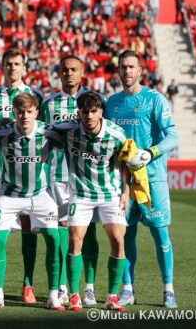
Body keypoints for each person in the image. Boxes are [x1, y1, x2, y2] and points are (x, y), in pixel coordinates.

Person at [105, 50, 179, 309]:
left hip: (152, 180)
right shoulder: (111, 103)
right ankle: (128, 288)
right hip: (122, 182)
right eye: (123, 67)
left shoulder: (154, 99)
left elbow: (172, 136)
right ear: (119, 71)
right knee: (124, 236)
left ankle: (168, 289)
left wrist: (150, 152)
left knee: (161, 235)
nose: (127, 71)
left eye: (131, 67)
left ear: (140, 71)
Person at [48, 91, 130, 312]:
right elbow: (40, 130)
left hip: (110, 194)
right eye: (85, 112)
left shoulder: (117, 135)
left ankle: (112, 296)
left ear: (100, 112)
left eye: (94, 111)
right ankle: (74, 295)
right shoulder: (68, 130)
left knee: (118, 241)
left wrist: (126, 192)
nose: (89, 116)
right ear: (79, 113)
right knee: (75, 240)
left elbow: (126, 162)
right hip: (81, 194)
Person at [0, 93, 62, 311]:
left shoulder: (48, 132)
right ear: (13, 112)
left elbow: (73, 143)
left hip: (40, 194)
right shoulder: (3, 133)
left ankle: (53, 296)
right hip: (9, 195)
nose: (24, 116)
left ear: (36, 112)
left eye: (29, 112)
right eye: (20, 112)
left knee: (54, 240)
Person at [0, 48, 43, 303]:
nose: (12, 68)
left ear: (24, 68)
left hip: (26, 170)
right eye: (8, 63)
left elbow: (43, 130)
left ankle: (27, 283)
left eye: (17, 64)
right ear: (2, 66)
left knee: (28, 225)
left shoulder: (35, 96)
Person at [40, 55, 102, 306]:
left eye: (74, 70)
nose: (69, 74)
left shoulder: (95, 101)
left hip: (86, 178)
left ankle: (89, 287)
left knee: (89, 234)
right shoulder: (49, 103)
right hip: (56, 176)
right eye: (65, 70)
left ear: (82, 72)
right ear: (58, 72)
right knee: (60, 233)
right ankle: (63, 286)